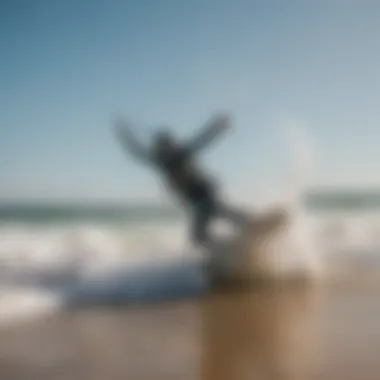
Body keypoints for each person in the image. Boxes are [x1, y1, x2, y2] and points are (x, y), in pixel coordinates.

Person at [113, 113, 249, 247]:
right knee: (200, 235)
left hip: (204, 192)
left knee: (212, 212)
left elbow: (202, 139)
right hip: (193, 200)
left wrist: (217, 127)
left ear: (172, 144)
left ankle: (249, 225)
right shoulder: (160, 161)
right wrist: (125, 136)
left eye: (169, 146)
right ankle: (229, 246)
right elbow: (137, 151)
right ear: (159, 148)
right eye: (163, 147)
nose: (167, 150)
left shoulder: (183, 152)